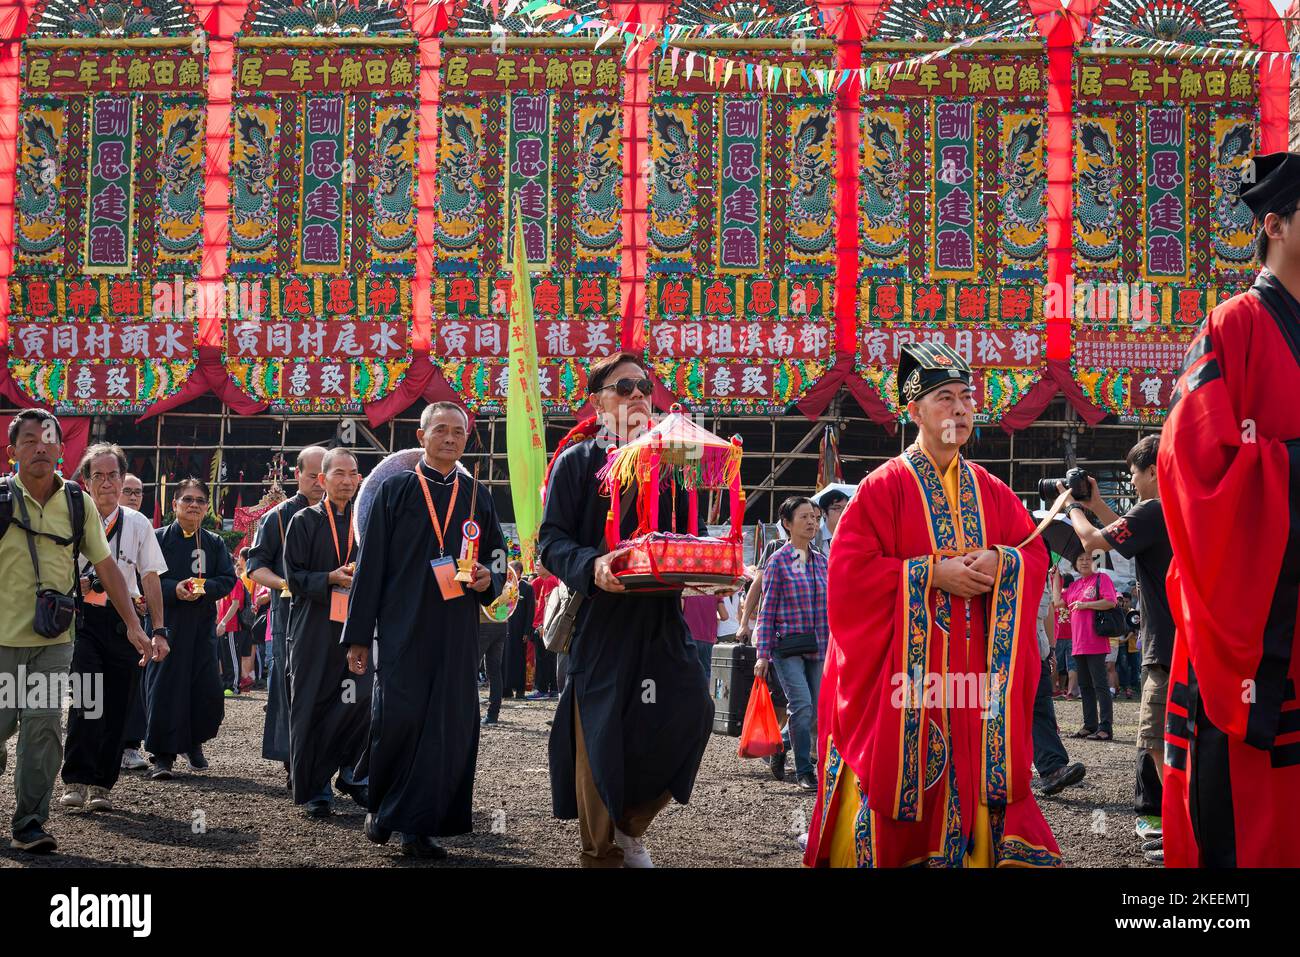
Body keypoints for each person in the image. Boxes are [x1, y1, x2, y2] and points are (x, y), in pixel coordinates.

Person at [804, 341, 1059, 868]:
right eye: (945, 398)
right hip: (906, 684)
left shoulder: (991, 490)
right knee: (905, 777)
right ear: (914, 410)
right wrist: (928, 574)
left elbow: (1034, 554)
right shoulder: (880, 489)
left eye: (967, 397)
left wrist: (1001, 561)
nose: (962, 409)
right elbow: (847, 579)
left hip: (977, 680)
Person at [1158, 152, 1300, 867]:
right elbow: (1191, 470)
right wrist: (1291, 466)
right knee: (1243, 819)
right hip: (1246, 620)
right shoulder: (1233, 325)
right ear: (1273, 225)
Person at [539, 352, 713, 868]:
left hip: (661, 615)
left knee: (691, 711)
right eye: (624, 387)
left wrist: (709, 570)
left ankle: (631, 823)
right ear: (598, 401)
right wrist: (592, 567)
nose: (638, 395)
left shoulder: (673, 459)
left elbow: (689, 537)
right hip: (603, 617)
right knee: (600, 733)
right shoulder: (578, 461)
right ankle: (603, 852)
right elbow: (550, 542)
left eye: (644, 387)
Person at [341, 401, 505, 859]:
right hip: (403, 628)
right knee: (399, 718)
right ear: (421, 436)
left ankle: (423, 825)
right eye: (441, 430)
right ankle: (383, 806)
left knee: (448, 724)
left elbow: (497, 556)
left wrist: (492, 577)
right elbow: (370, 569)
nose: (450, 438)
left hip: (456, 633)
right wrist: (357, 635)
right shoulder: (394, 491)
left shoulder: (477, 496)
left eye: (458, 432)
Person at [1, 411, 150, 853]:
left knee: (43, 730)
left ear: (62, 449)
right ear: (12, 452)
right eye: (29, 441)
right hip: (1, 642)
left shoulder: (75, 502)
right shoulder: (1, 499)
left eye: (48, 440)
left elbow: (107, 567)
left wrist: (134, 625)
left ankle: (29, 821)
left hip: (53, 640)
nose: (40, 448)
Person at [59, 443, 170, 813]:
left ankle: (102, 785)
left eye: (113, 476)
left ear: (123, 480)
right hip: (84, 621)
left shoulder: (137, 523)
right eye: (98, 476)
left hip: (127, 622)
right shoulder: (71, 518)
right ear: (85, 482)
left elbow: (150, 576)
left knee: (119, 704)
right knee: (88, 698)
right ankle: (76, 778)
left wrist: (158, 629)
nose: (107, 483)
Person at [283, 448, 371, 818]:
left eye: (353, 474)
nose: (347, 481)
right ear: (322, 479)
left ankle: (351, 771)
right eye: (338, 474)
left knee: (358, 701)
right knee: (313, 704)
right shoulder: (303, 521)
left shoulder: (366, 521)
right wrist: (330, 577)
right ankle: (316, 785)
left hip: (357, 626)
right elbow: (294, 577)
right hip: (314, 628)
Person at [144, 478, 236, 780]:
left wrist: (204, 587)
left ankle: (194, 742)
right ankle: (163, 755)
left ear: (206, 507)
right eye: (187, 499)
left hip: (202, 625)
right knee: (166, 688)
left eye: (199, 500)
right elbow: (146, 576)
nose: (193, 505)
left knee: (206, 687)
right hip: (166, 624)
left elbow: (227, 579)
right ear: (174, 504)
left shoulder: (214, 542)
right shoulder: (157, 538)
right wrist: (174, 589)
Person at [247, 446, 325, 786]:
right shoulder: (278, 516)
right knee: (289, 686)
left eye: (326, 474)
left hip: (331, 614)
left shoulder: (342, 515)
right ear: (297, 475)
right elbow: (255, 567)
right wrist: (285, 583)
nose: (320, 482)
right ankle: (295, 761)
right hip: (289, 614)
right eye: (312, 475)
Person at [754, 496, 828, 791]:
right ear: (787, 524)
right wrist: (762, 654)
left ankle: (778, 745)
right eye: (804, 517)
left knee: (815, 711)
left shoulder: (823, 561)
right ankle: (804, 771)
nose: (812, 522)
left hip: (819, 645)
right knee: (801, 705)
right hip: (786, 648)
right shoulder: (778, 561)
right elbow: (767, 608)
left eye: (814, 517)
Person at [1032, 569, 1087, 796]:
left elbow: (1046, 613)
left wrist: (1051, 648)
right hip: (1000, 653)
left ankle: (1053, 769)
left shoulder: (1042, 573)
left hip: (1037, 652)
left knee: (1041, 711)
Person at [1057, 552, 1118, 742]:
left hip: (1095, 641)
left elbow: (1111, 601)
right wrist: (1055, 578)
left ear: (1095, 562)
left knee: (1100, 685)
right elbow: (1058, 602)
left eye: (1088, 559)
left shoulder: (1102, 578)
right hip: (1078, 643)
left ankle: (1105, 727)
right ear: (1075, 564)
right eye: (1080, 559)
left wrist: (1086, 605)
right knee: (1085, 686)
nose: (1084, 562)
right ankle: (1089, 724)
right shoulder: (1075, 584)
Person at [118, 472, 153, 772]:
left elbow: (150, 574)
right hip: (97, 612)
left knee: (133, 681)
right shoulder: (93, 520)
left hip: (134, 616)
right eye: (127, 490)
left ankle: (130, 746)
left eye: (138, 492)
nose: (133, 496)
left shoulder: (143, 526)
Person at [528, 565, 560, 698]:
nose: (536, 567)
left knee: (542, 659)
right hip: (545, 624)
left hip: (543, 625)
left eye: (539, 564)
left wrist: (542, 625)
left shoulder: (549, 581)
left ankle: (541, 689)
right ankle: (552, 688)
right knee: (549, 659)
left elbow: (549, 606)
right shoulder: (549, 580)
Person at [505, 562, 535, 699]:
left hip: (520, 631)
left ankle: (520, 690)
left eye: (511, 570)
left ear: (518, 571)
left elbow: (530, 612)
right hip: (506, 629)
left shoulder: (527, 588)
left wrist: (527, 632)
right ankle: (506, 689)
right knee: (506, 659)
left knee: (519, 660)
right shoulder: (506, 586)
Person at [682, 593, 722, 677]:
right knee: (706, 671)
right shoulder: (716, 591)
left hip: (688, 636)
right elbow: (725, 616)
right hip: (708, 638)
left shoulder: (687, 590)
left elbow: (679, 610)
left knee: (686, 670)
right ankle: (705, 690)